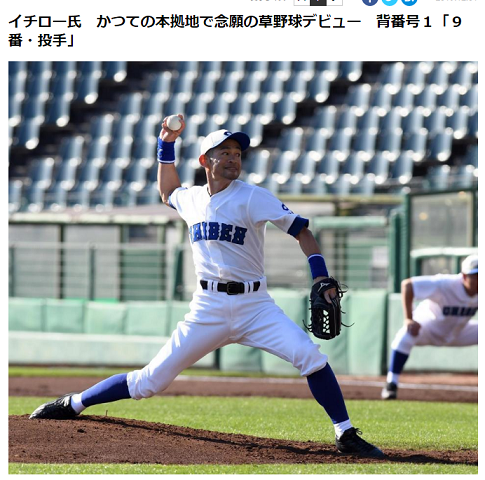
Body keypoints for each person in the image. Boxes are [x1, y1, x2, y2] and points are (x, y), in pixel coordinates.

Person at [31, 116, 385, 459]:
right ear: (205, 161)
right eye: (224, 152)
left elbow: (302, 231)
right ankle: (73, 403)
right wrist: (165, 144)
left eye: (237, 153)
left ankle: (345, 433)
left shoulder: (253, 197)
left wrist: (320, 276)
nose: (233, 158)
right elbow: (168, 192)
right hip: (208, 307)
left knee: (310, 357)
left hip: (255, 306)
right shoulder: (192, 198)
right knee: (149, 382)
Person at [381, 254, 478, 400]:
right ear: (464, 276)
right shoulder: (445, 284)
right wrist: (409, 319)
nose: (479, 280)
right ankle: (391, 384)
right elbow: (408, 285)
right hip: (428, 329)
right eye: (475, 276)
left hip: (459, 332)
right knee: (405, 335)